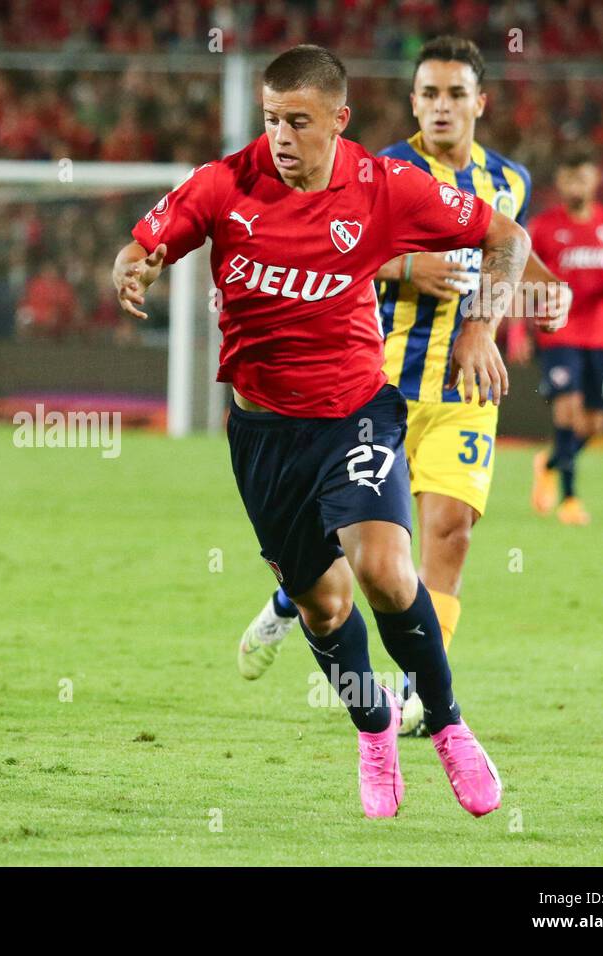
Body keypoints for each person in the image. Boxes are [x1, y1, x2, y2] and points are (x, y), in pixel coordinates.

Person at [113, 45, 524, 819]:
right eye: (272, 119)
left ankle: (447, 723)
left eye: (298, 121)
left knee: (385, 571)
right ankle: (372, 728)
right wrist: (133, 265)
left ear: (339, 120)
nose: (281, 137)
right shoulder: (225, 183)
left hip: (356, 414)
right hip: (264, 434)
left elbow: (507, 238)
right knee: (324, 609)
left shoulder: (386, 186)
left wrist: (482, 326)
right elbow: (147, 241)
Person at [238, 37, 570, 740]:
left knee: (449, 533)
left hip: (462, 389)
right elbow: (317, 245)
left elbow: (511, 248)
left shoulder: (510, 181)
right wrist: (404, 267)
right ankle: (291, 597)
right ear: (412, 102)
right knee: (364, 558)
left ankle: (426, 697)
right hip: (371, 387)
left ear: (480, 102)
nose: (440, 106)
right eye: (428, 93)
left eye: (455, 93)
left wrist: (545, 289)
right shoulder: (379, 170)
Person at [527, 147, 603, 525]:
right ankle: (569, 499)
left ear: (595, 180)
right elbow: (525, 276)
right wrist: (523, 329)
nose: (578, 184)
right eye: (571, 177)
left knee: (593, 424)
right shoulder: (542, 227)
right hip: (559, 331)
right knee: (567, 409)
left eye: (584, 177)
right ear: (561, 182)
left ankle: (550, 461)